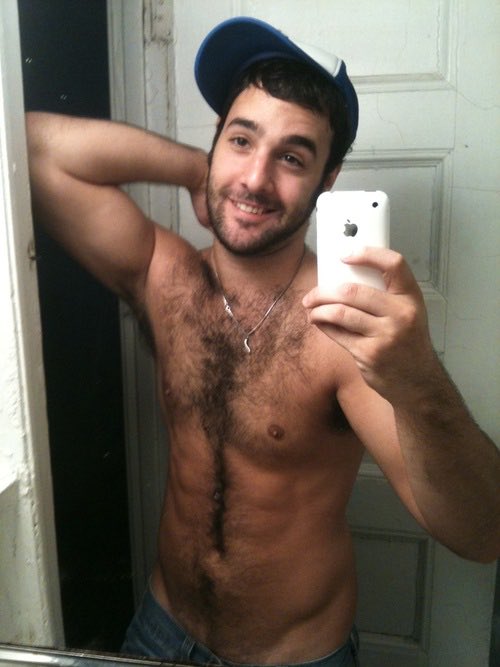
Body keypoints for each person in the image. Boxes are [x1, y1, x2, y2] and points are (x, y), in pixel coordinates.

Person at [26, 16, 499, 667]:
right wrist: (195, 171)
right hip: (161, 631)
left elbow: (481, 533)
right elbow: (31, 147)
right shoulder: (165, 277)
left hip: (294, 656)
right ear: (215, 143)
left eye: (292, 157)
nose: (254, 178)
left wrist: (417, 377)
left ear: (327, 180)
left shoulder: (343, 329)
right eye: (241, 140)